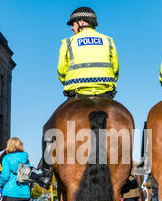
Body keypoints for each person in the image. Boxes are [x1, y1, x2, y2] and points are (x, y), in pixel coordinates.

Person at [31, 6, 119, 190]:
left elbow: (61, 71)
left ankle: (46, 175)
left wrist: (70, 82)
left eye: (72, 24)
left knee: (47, 129)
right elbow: (116, 69)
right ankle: (128, 176)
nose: (71, 28)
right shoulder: (109, 41)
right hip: (105, 96)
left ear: (80, 23)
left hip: (77, 97)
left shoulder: (68, 43)